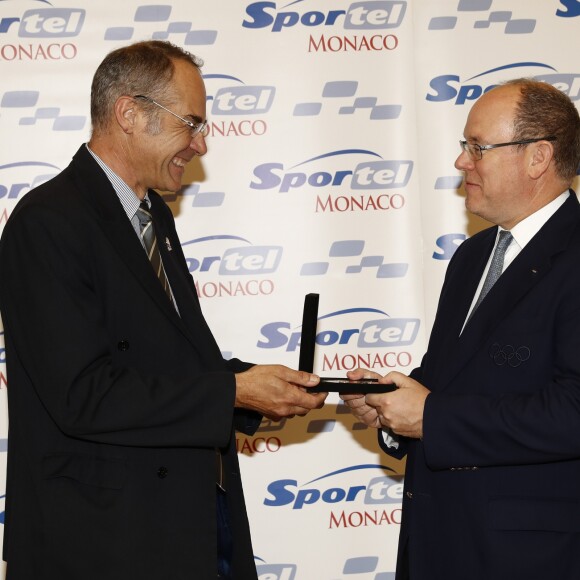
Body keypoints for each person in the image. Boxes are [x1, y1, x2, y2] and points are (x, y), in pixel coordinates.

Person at [0, 40, 327, 580]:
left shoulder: (153, 218)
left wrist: (258, 389)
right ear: (129, 113)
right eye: (190, 123)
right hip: (99, 543)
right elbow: (83, 395)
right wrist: (234, 392)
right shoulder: (49, 222)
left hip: (180, 525)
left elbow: (167, 366)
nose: (200, 144)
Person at [342, 78, 580, 580]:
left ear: (538, 157)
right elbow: (448, 383)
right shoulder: (473, 255)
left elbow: (573, 411)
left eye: (478, 147)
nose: (461, 162)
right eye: (463, 147)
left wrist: (430, 417)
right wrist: (389, 407)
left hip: (528, 559)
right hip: (438, 542)